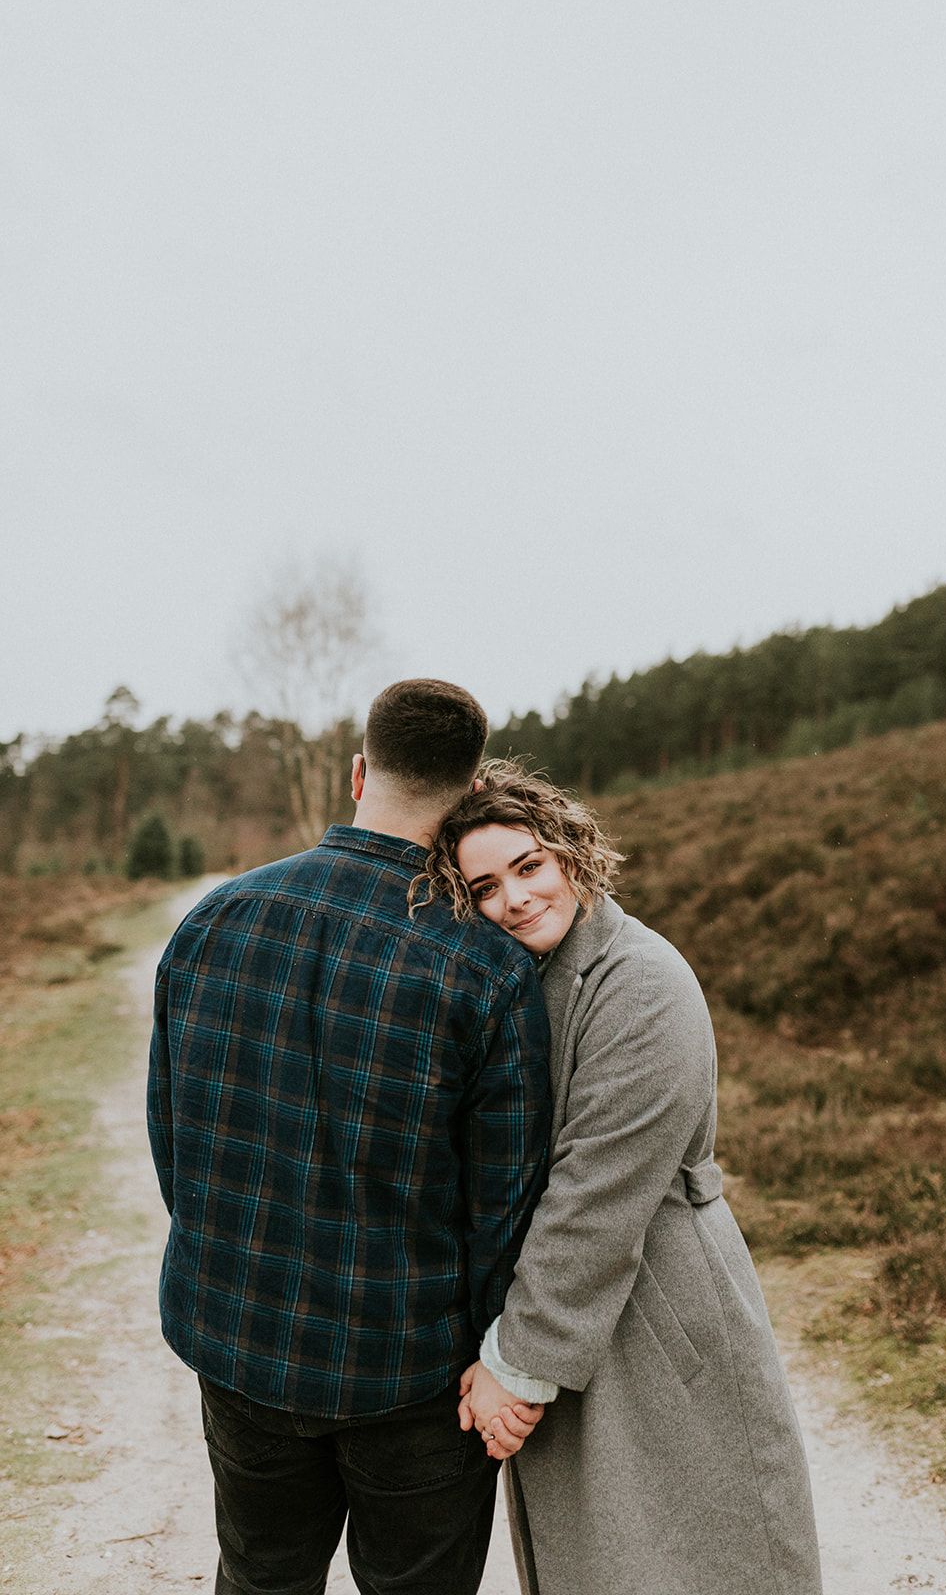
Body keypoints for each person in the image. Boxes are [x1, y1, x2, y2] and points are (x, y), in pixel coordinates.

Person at [147, 682, 553, 1595]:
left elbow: (175, 1147)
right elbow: (504, 1209)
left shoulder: (214, 920)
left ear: (359, 772)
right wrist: (488, 1352)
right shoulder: (486, 969)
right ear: (471, 787)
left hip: (239, 1342)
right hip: (411, 1376)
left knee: (259, 1579)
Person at [415, 761, 824, 1595]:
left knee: (689, 1547)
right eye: (485, 887)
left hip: (655, 1293)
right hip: (576, 1297)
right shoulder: (521, 976)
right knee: (607, 1552)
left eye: (529, 866)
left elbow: (599, 1190)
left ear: (568, 851)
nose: (517, 898)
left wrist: (517, 1367)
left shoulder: (640, 981)